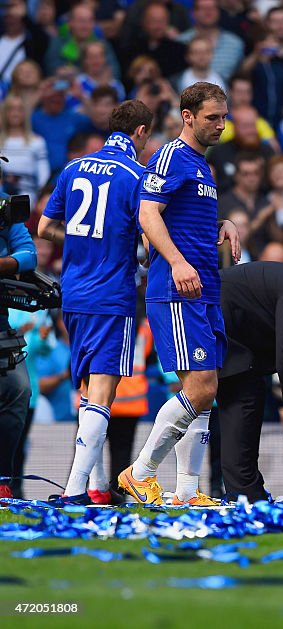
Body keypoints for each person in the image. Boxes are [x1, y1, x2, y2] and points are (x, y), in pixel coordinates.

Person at [117, 82, 241, 507]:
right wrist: (177, 261)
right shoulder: (172, 155)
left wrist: (220, 224)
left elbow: (181, 212)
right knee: (202, 388)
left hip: (204, 288)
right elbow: (148, 212)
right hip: (177, 289)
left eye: (224, 117)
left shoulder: (203, 167)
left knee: (204, 390)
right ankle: (140, 472)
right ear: (187, 116)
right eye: (212, 117)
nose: (220, 125)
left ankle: (186, 490)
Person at [36, 99, 154, 505]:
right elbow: (147, 238)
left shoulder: (72, 168)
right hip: (112, 294)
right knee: (103, 393)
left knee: (88, 392)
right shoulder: (137, 175)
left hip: (73, 293)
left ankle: (97, 488)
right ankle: (72, 492)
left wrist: (85, 238)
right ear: (141, 132)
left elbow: (45, 227)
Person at [217, 261, 283, 502]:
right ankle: (243, 492)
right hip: (222, 319)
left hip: (243, 332)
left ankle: (246, 490)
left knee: (247, 399)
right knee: (242, 401)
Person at [0, 199, 35, 502]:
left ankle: (2, 479)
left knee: (19, 389)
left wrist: (2, 264)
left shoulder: (4, 211)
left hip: (0, 322)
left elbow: (28, 254)